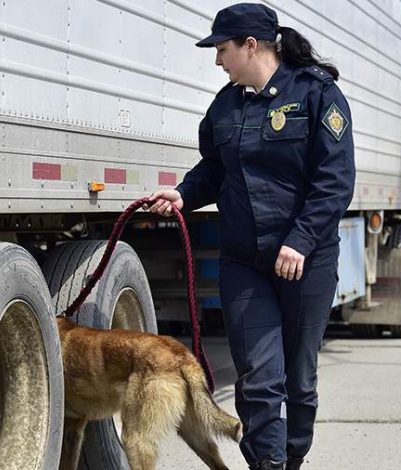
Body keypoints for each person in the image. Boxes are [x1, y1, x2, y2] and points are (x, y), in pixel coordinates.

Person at [146, 4, 355, 469]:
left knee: (298, 381)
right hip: (245, 263)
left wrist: (299, 241)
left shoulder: (317, 94)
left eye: (222, 49)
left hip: (308, 260)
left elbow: (335, 181)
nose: (217, 60)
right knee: (259, 380)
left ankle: (292, 458)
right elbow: (213, 169)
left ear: (250, 46)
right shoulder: (225, 104)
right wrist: (183, 195)